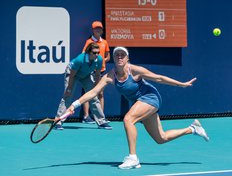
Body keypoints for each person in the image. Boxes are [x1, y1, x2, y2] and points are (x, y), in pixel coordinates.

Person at [65, 46, 209, 169]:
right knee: (161, 138)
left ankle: (133, 158)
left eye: (123, 55)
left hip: (150, 98)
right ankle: (193, 129)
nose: (120, 57)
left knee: (128, 119)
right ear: (114, 59)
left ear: (127, 58)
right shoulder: (110, 76)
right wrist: (74, 105)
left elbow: (158, 78)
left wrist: (181, 84)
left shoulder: (135, 70)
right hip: (140, 102)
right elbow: (93, 92)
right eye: (117, 55)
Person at [54, 43, 112, 130]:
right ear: (88, 52)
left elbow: (97, 75)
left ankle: (102, 122)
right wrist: (69, 88)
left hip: (86, 75)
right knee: (68, 97)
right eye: (94, 53)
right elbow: (72, 75)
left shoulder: (99, 59)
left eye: (98, 52)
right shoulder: (79, 59)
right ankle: (58, 122)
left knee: (94, 97)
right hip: (73, 74)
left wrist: (96, 89)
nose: (97, 54)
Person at [81, 21, 110, 124]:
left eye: (100, 28)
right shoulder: (89, 42)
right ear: (93, 30)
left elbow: (108, 56)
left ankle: (101, 117)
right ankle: (86, 116)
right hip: (91, 71)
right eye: (96, 28)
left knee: (100, 93)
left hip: (101, 71)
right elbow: (84, 54)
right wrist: (93, 61)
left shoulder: (105, 42)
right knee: (89, 93)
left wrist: (102, 60)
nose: (98, 30)